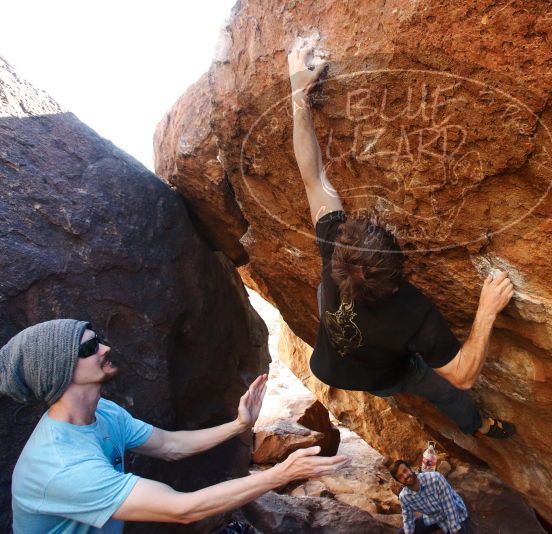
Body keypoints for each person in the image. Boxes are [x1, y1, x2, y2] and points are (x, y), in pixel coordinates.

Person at [288, 44, 515, 439]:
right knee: (446, 392)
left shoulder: (333, 251)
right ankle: (477, 426)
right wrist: (487, 311)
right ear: (394, 283)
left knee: (385, 372)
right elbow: (461, 375)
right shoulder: (413, 312)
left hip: (330, 365)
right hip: (389, 375)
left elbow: (313, 176)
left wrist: (298, 95)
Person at [0, 319, 349, 533]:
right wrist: (279, 474)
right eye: (90, 347)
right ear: (58, 373)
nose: (105, 347)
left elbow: (168, 446)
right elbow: (182, 509)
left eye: (98, 338)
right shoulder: (60, 467)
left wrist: (238, 425)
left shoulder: (103, 413)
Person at [390, 460, 469, 534]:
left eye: (405, 471)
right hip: (434, 517)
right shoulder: (404, 497)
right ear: (398, 481)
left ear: (410, 469)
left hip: (456, 513)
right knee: (401, 532)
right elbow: (408, 519)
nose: (405, 476)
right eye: (400, 476)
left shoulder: (435, 479)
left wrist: (455, 530)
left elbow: (450, 507)